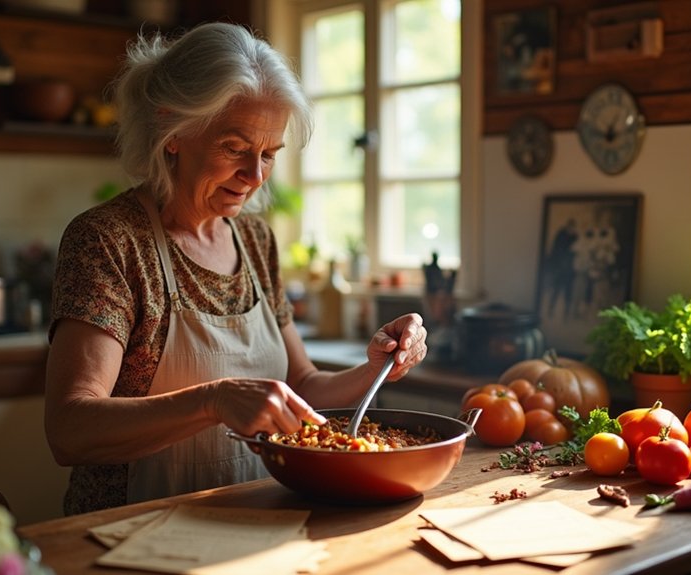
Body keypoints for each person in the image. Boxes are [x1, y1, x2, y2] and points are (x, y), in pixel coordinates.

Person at [44, 22, 429, 516]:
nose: (254, 176)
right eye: (235, 147)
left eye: (269, 154)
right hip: (128, 531)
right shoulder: (109, 241)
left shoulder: (254, 240)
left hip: (252, 522)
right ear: (173, 130)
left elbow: (302, 385)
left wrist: (372, 368)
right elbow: (69, 430)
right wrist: (213, 400)